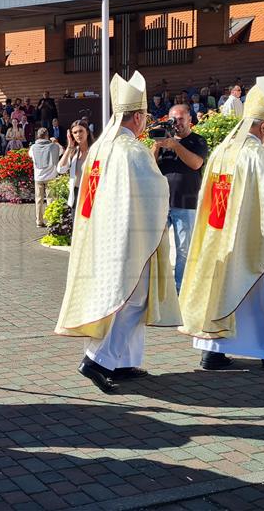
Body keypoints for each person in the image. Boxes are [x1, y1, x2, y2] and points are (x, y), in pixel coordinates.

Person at [55, 72, 181, 393]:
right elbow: (154, 191)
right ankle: (98, 360)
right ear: (138, 117)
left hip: (102, 234)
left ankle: (123, 362)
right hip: (129, 236)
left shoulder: (101, 147)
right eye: (145, 118)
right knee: (133, 300)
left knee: (121, 300)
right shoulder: (133, 150)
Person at [179, 86, 264, 370]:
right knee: (261, 293)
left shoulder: (223, 150)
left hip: (217, 235)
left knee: (220, 290)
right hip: (249, 239)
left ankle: (213, 351)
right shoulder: (259, 155)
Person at [152, 104, 208, 292]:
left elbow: (196, 163)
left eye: (180, 119)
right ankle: (159, 287)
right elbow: (150, 168)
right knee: (157, 246)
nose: (176, 123)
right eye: (172, 119)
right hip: (161, 203)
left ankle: (180, 289)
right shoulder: (163, 142)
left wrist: (175, 145)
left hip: (186, 203)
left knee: (184, 250)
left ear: (190, 120)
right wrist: (156, 145)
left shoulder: (197, 141)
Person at [57, 120, 94, 213]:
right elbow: (60, 169)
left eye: (81, 131)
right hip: (76, 194)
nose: (78, 134)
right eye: (75, 132)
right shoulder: (74, 152)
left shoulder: (95, 151)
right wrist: (69, 147)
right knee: (76, 227)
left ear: (87, 132)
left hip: (91, 194)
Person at [29, 128, 62, 228]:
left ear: (38, 136)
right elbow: (62, 151)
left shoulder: (33, 147)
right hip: (50, 176)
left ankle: (39, 221)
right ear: (47, 135)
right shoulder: (54, 146)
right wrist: (56, 142)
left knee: (38, 199)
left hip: (38, 177)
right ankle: (51, 221)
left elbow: (30, 156)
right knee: (51, 199)